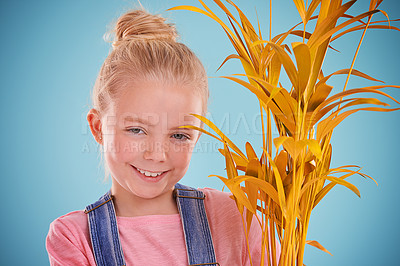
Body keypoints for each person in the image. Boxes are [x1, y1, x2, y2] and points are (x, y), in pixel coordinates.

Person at [46, 8, 273, 266]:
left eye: (179, 135)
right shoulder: (75, 238)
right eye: (136, 130)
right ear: (98, 127)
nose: (157, 154)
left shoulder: (235, 216)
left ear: (197, 136)